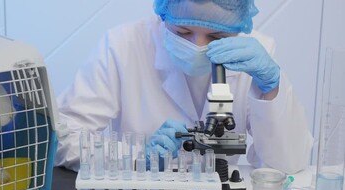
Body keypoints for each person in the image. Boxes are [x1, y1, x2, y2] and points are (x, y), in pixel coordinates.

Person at [55, 0, 313, 174]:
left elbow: (287, 166)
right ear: (163, 14)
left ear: (239, 28)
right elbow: (63, 139)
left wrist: (271, 87)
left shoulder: (257, 55)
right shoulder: (122, 45)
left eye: (216, 37)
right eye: (182, 32)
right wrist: (133, 158)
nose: (198, 46)